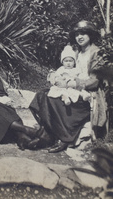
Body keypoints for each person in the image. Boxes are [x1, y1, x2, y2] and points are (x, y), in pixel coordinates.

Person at [29, 20, 107, 153]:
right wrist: (55, 75)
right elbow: (65, 67)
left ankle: (64, 138)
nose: (80, 37)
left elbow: (95, 81)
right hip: (70, 88)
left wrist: (74, 83)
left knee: (55, 101)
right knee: (42, 95)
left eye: (83, 33)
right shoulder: (76, 52)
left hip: (88, 93)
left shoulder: (96, 53)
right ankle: (48, 132)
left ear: (90, 35)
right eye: (77, 34)